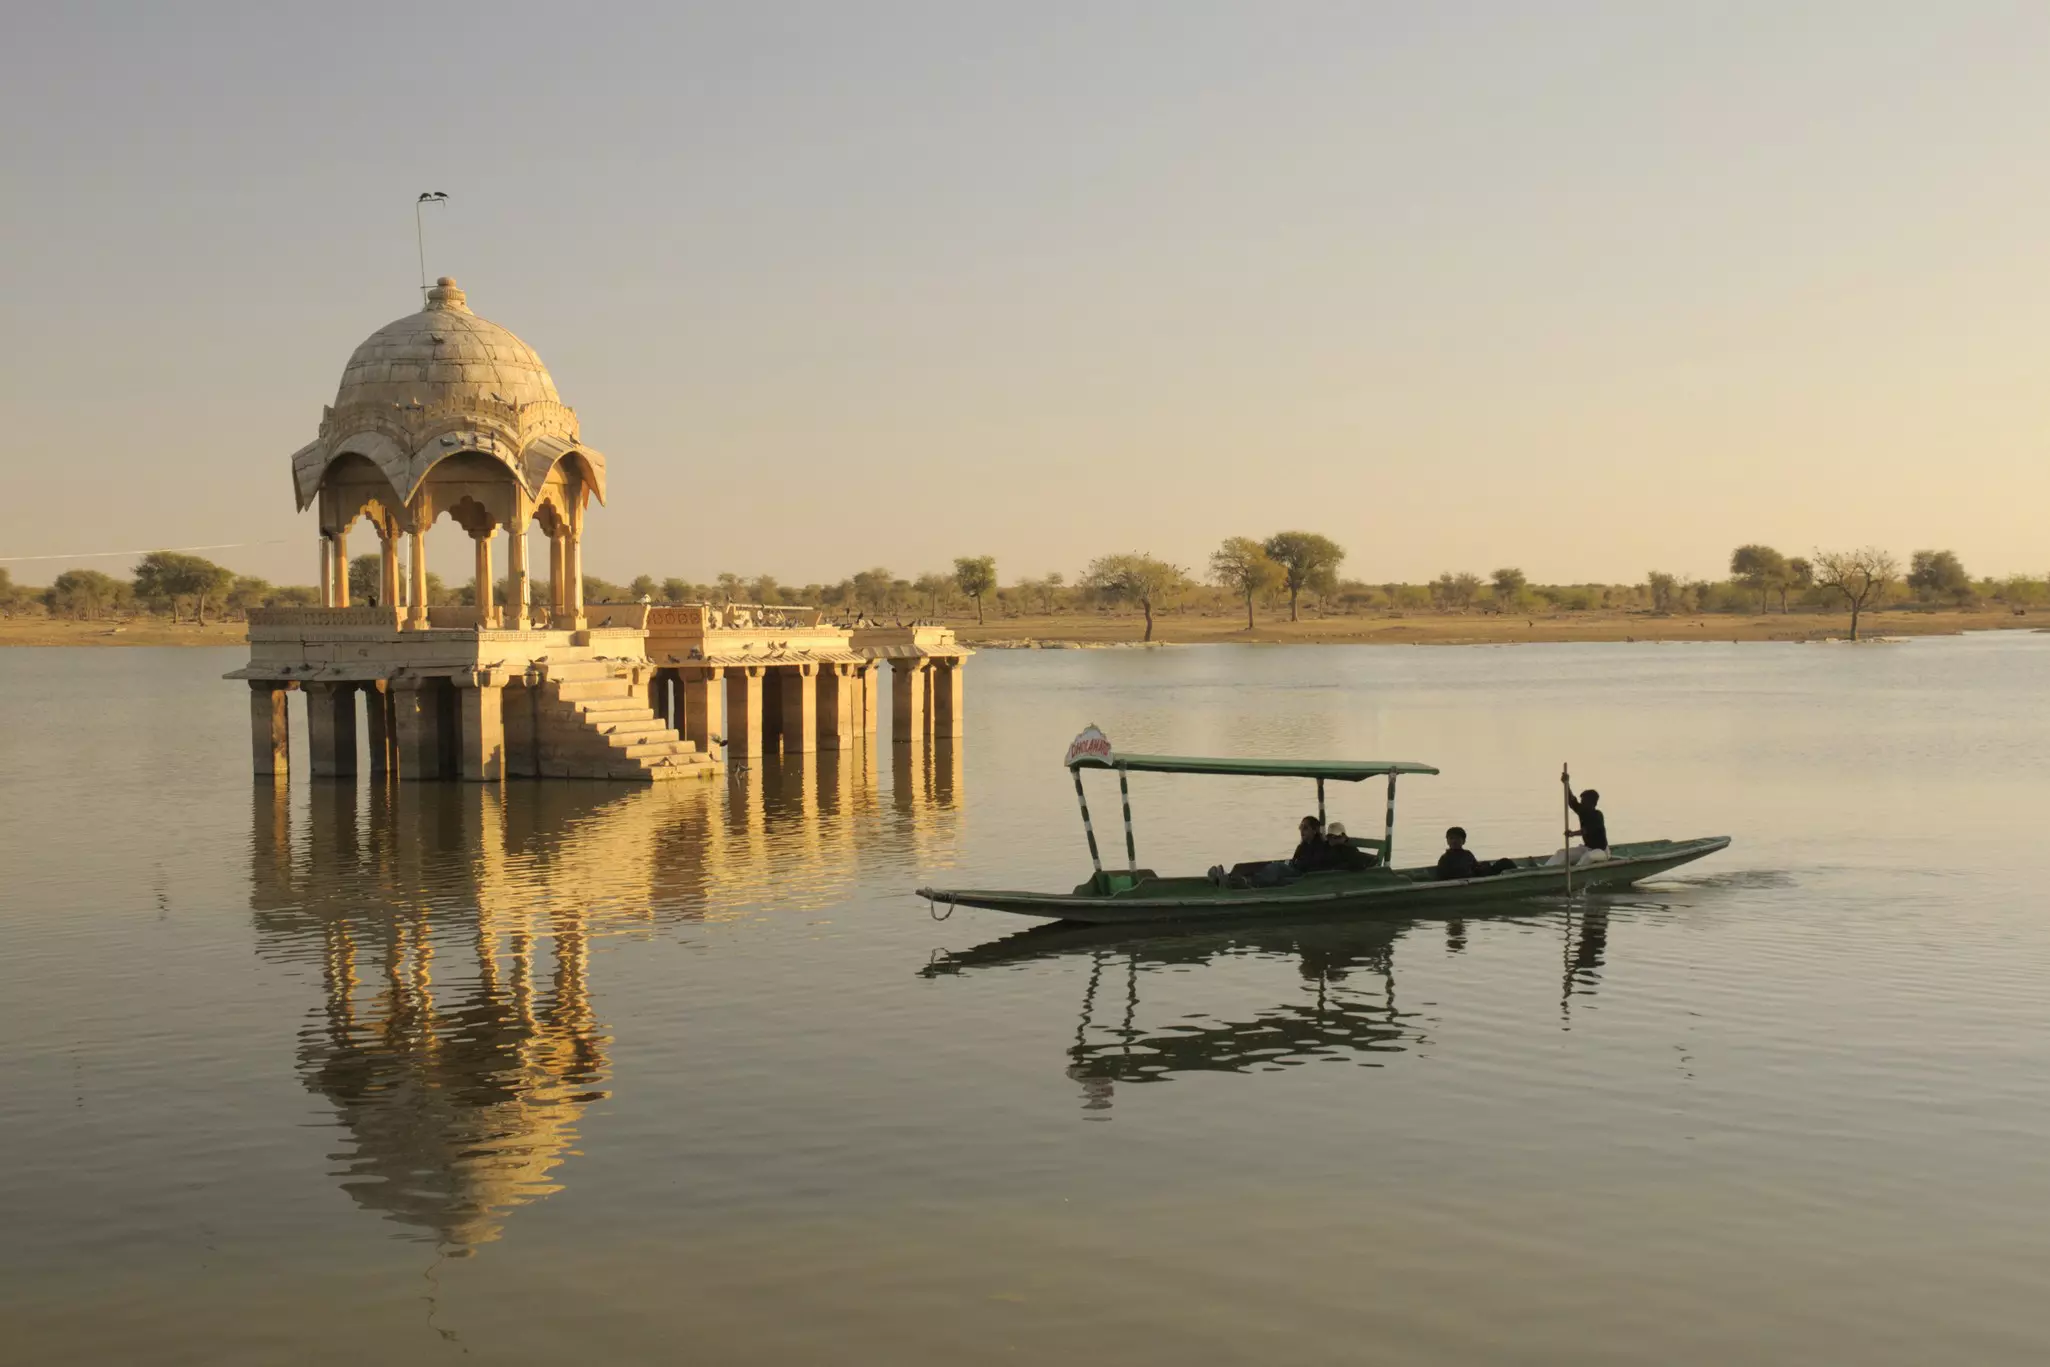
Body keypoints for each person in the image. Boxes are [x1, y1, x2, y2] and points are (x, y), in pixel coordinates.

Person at [1546, 778, 1612, 866]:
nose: (1582, 804)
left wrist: (1572, 833)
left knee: (1588, 857)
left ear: (1592, 803)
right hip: (1587, 848)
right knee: (1562, 853)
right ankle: (1546, 868)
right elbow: (1571, 801)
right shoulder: (1583, 811)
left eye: (1584, 802)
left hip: (1601, 851)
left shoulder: (1597, 816)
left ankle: (1576, 872)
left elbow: (1587, 830)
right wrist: (1566, 783)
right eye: (1582, 801)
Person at [1435, 826, 1516, 880]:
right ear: (1447, 841)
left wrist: (1483, 866)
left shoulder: (1467, 854)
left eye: (1457, 838)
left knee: (1505, 862)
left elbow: (1476, 867)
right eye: (1451, 838)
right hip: (1466, 881)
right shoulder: (1445, 858)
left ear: (1463, 841)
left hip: (1478, 877)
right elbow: (1443, 877)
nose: (1454, 841)